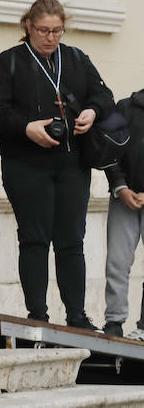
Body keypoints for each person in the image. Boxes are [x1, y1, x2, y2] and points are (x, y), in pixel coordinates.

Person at [0, 0, 113, 329]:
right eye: (43, 30)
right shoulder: (8, 62)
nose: (50, 37)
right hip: (26, 163)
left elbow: (103, 95)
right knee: (34, 238)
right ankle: (37, 315)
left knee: (72, 240)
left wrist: (91, 112)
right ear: (29, 26)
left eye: (57, 31)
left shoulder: (75, 58)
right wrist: (27, 127)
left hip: (71, 162)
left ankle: (77, 316)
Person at [103, 88, 144, 338]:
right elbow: (108, 148)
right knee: (117, 263)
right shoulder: (125, 107)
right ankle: (114, 322)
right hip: (123, 197)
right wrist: (120, 186)